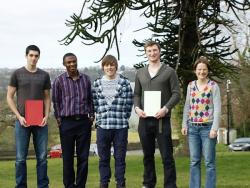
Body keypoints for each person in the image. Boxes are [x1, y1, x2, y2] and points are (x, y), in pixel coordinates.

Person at [134, 41, 180, 188]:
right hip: (145, 120)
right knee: (147, 155)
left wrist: (165, 108)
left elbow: (176, 94)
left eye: (155, 50)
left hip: (162, 120)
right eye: (149, 51)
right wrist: (137, 108)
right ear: (146, 53)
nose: (152, 53)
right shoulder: (140, 73)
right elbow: (136, 94)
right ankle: (148, 183)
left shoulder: (169, 71)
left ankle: (170, 185)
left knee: (167, 156)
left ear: (159, 51)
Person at [6, 45, 51, 188]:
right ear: (26, 56)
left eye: (36, 56)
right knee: (20, 159)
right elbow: (9, 97)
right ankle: (21, 186)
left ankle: (43, 186)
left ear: (39, 57)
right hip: (22, 122)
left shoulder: (44, 75)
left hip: (40, 122)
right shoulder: (17, 74)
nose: (33, 58)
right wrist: (19, 116)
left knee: (42, 158)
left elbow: (47, 98)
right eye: (31, 55)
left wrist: (46, 115)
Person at [52, 53, 94, 188]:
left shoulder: (86, 79)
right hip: (67, 123)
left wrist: (91, 116)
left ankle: (81, 185)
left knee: (83, 158)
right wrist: (59, 119)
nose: (72, 64)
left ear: (77, 62)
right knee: (68, 158)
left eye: (74, 61)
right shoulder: (59, 81)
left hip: (83, 123)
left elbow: (90, 99)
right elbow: (56, 102)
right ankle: (69, 185)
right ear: (64, 64)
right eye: (69, 62)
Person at [92, 55, 133, 188]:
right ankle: (104, 184)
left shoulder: (125, 83)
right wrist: (102, 117)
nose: (109, 67)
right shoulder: (97, 83)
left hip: (120, 127)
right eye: (107, 65)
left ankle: (120, 184)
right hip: (103, 127)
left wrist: (122, 117)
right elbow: (95, 104)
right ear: (103, 67)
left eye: (112, 64)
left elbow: (128, 104)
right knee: (103, 159)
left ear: (116, 66)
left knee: (120, 159)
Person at [181, 56, 221, 188]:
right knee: (194, 161)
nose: (202, 72)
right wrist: (184, 124)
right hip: (192, 128)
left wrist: (214, 129)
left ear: (208, 71)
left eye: (204, 69)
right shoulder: (191, 86)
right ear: (195, 71)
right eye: (199, 69)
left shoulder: (213, 86)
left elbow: (217, 109)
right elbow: (187, 105)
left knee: (209, 162)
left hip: (208, 128)